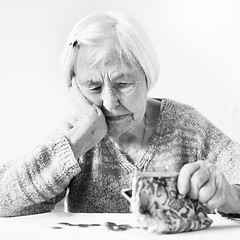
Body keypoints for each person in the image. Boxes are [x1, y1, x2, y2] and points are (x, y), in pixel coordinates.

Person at [0, 11, 240, 217]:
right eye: (93, 87)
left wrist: (231, 196)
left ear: (147, 77)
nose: (109, 103)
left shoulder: (187, 127)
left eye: (123, 83)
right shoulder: (76, 135)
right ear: (75, 88)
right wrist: (75, 146)